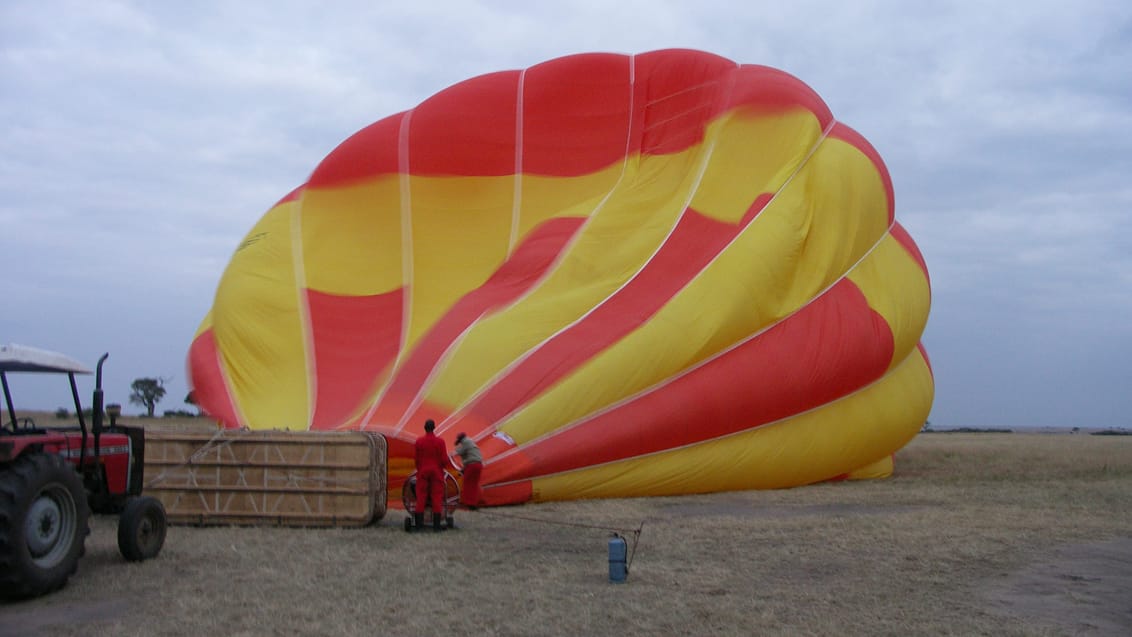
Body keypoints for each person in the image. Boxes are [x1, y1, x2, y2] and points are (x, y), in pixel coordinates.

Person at [413, 419, 448, 531]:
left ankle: (418, 525)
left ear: (424, 428)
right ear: (434, 428)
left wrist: (420, 470)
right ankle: (437, 526)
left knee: (421, 497)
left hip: (423, 471)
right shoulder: (440, 442)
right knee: (437, 497)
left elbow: (417, 459)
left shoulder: (419, 441)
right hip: (436, 472)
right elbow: (444, 460)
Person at [452, 432, 483, 510]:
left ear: (461, 439)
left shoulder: (466, 442)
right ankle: (473, 503)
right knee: (474, 484)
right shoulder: (470, 441)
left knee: (467, 484)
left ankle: (468, 503)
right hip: (478, 465)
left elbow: (459, 452)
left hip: (472, 465)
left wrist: (453, 450)